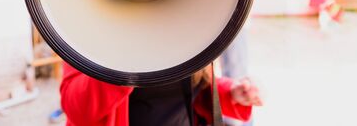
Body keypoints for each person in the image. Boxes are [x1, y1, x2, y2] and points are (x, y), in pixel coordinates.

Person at [60, 62, 262, 126]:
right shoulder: (87, 32)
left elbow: (198, 82)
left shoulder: (190, 28)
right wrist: (121, 61)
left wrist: (231, 92)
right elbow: (76, 108)